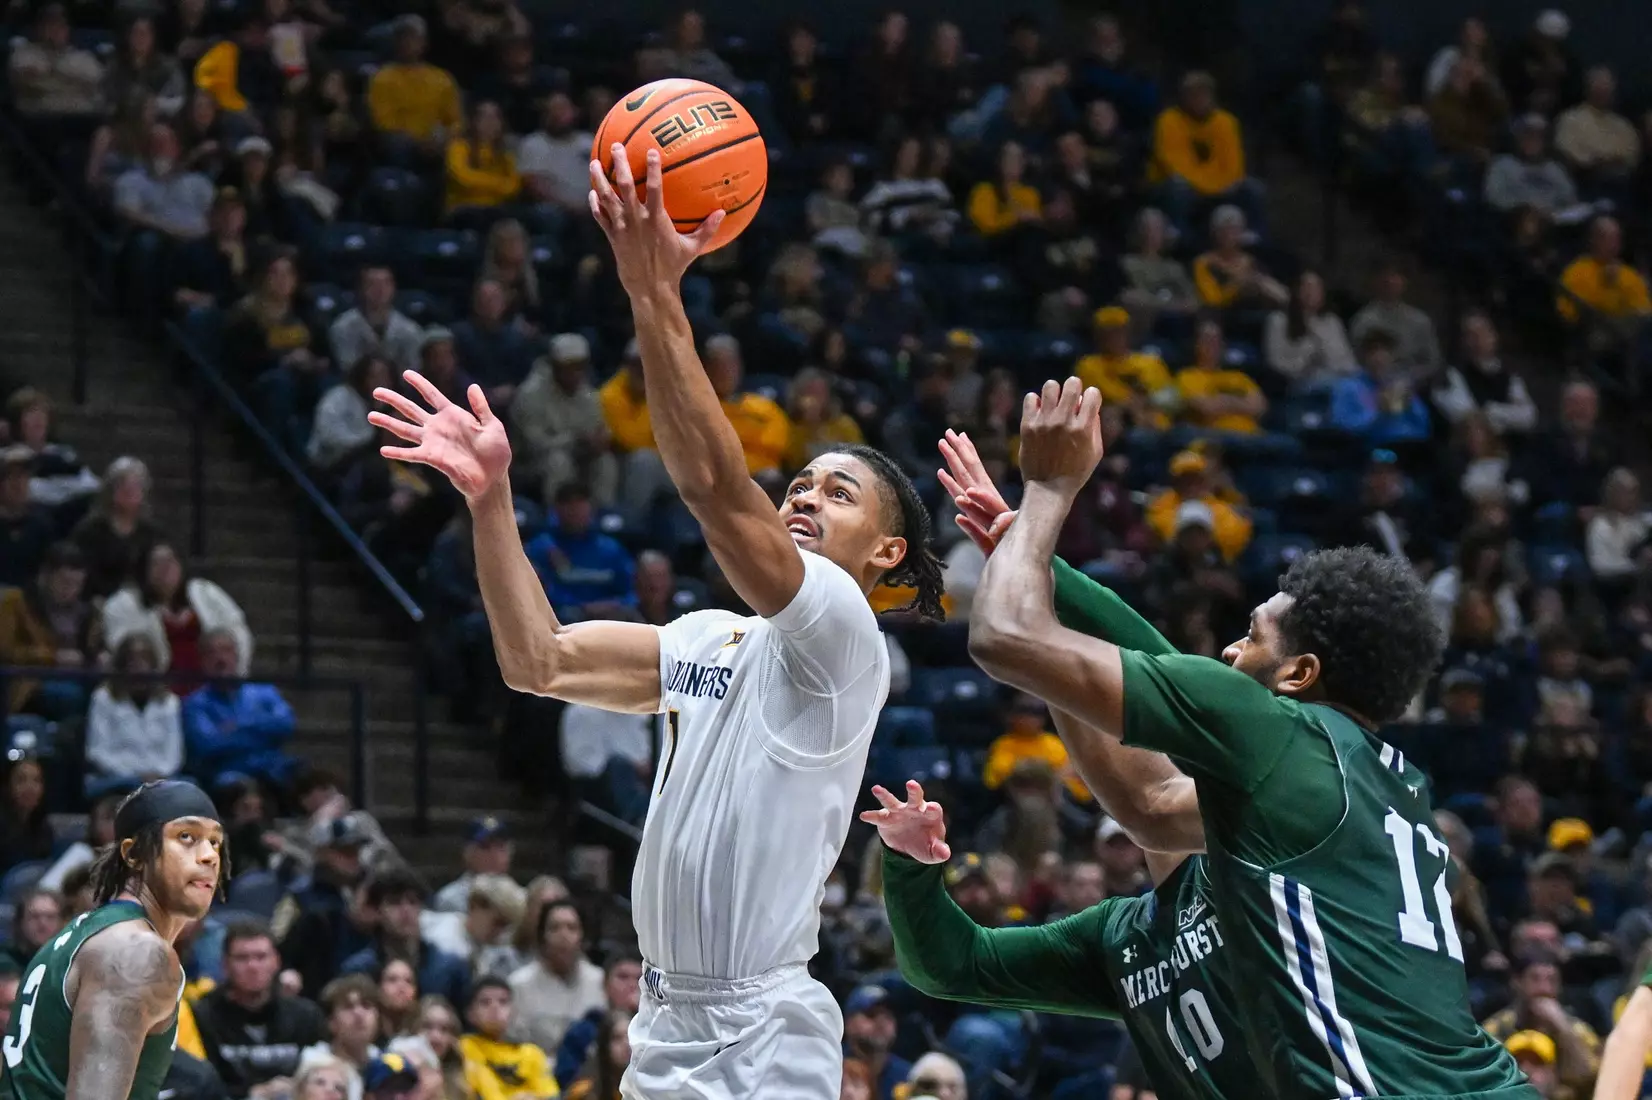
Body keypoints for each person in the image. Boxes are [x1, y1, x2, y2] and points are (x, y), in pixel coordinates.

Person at [369, 147, 944, 1099]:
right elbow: (539, 661)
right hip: (668, 1025)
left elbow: (719, 492)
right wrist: (490, 500)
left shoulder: (844, 633)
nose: (802, 496)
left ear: (885, 552)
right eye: (798, 482)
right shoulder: (711, 640)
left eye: (837, 494)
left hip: (761, 1031)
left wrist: (653, 292)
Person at [965, 377, 1538, 1099]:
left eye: (1248, 635)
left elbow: (1004, 636)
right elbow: (1146, 802)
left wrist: (1048, 495)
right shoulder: (1384, 779)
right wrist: (1043, 564)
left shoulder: (1277, 735)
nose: (1230, 654)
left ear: (1298, 673)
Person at [0, 780, 224, 1100]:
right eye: (186, 837)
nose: (208, 856)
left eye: (215, 842)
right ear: (133, 855)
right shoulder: (135, 953)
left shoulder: (86, 931)